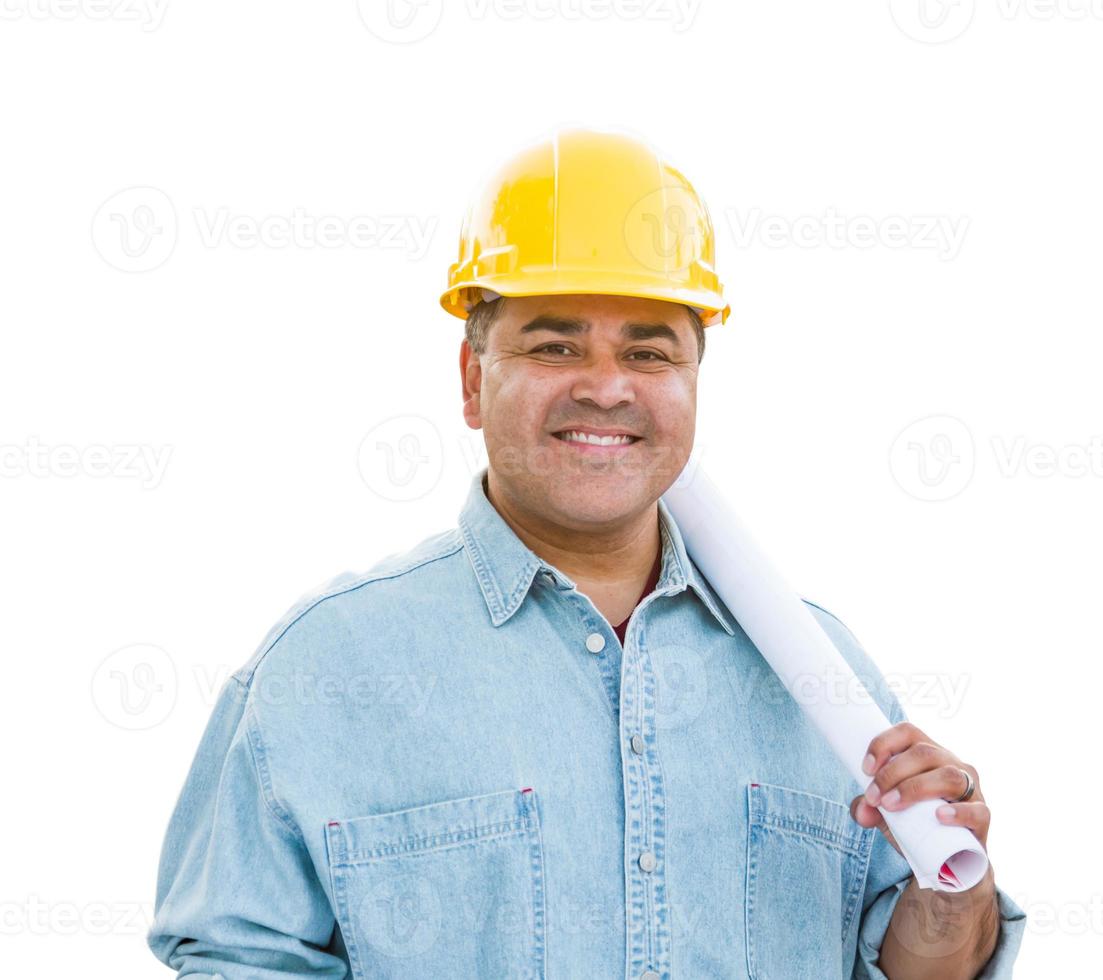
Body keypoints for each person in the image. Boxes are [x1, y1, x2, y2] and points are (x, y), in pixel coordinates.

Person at [147, 126, 1026, 978]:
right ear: (471, 378)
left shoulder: (821, 675)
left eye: (648, 352)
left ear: (691, 386)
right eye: (555, 343)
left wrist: (952, 902)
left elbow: (921, 970)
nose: (606, 386)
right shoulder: (325, 669)